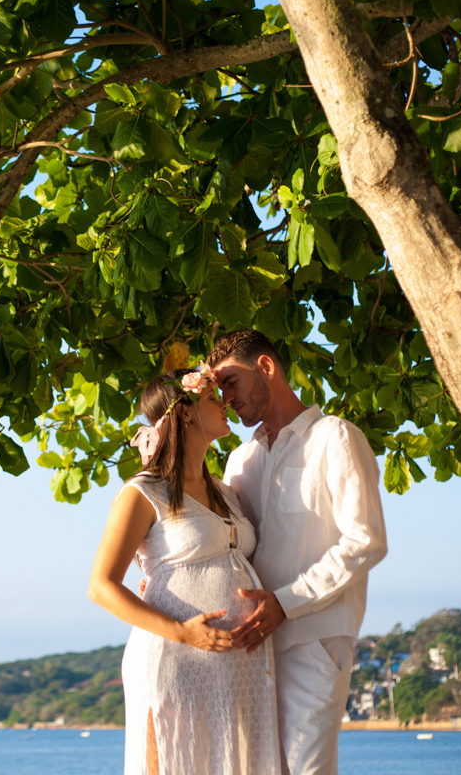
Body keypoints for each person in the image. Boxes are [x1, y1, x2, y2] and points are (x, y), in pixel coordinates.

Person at [210, 329, 388, 775]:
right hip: (250, 646)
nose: (225, 398)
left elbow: (365, 541)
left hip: (314, 640)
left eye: (230, 382)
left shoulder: (337, 438)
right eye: (217, 389)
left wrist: (285, 605)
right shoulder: (239, 462)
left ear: (266, 367)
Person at [89, 366, 281, 775]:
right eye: (214, 397)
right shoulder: (144, 492)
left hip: (237, 669)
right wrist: (182, 632)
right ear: (187, 412)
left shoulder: (226, 492)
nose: (226, 402)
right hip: (176, 660)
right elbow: (101, 586)